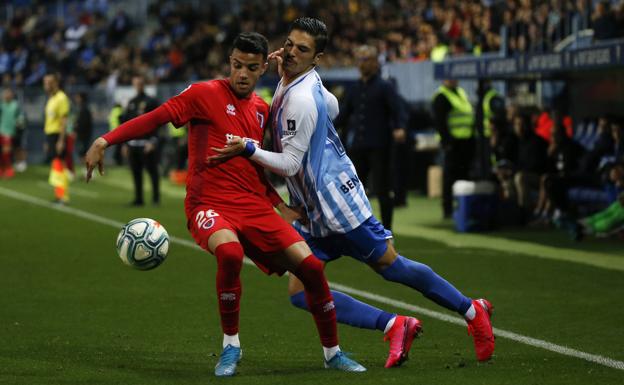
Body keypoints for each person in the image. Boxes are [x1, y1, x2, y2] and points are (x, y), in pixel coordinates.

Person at [211, 17, 495, 365]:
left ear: (317, 58)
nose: (291, 53)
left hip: (337, 205)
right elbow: (334, 106)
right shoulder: (299, 79)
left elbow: (288, 165)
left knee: (392, 267)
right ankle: (393, 324)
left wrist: (248, 148)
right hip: (312, 209)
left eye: (303, 50)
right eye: (289, 45)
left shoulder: (300, 98)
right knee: (300, 291)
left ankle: (471, 311)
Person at [84, 32, 366, 376]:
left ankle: (333, 353)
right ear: (229, 63)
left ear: (264, 67)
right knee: (230, 254)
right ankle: (230, 347)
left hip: (253, 206)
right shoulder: (203, 94)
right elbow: (157, 117)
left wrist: (278, 203)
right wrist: (105, 139)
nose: (242, 74)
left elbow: (258, 165)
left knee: (311, 268)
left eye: (250, 67)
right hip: (208, 203)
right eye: (236, 65)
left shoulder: (264, 109)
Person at [333, 44, 407, 230]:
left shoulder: (385, 87)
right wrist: (328, 130)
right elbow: (344, 115)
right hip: (358, 146)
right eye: (359, 59)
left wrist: (400, 127)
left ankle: (387, 229)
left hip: (380, 146)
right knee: (354, 189)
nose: (361, 63)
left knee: (383, 189)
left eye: (365, 59)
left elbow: (398, 110)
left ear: (375, 63)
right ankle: (355, 227)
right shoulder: (355, 88)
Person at [432, 79, 475, 219]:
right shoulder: (441, 96)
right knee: (450, 177)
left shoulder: (460, 92)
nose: (454, 79)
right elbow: (440, 122)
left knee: (464, 176)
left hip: (466, 142)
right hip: (452, 144)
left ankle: (464, 207)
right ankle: (448, 209)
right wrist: (447, 143)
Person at [120, 75, 161, 206]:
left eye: (140, 83)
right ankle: (139, 199)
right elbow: (126, 124)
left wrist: (153, 141)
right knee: (136, 172)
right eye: (136, 83)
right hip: (133, 144)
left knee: (152, 171)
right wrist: (125, 144)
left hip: (147, 143)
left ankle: (156, 198)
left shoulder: (151, 101)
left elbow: (159, 121)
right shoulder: (131, 102)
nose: (138, 86)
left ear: (144, 84)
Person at [43, 73, 71, 203]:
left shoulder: (61, 98)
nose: (45, 85)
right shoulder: (51, 98)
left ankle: (63, 196)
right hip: (51, 135)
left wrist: (61, 140)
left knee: (60, 164)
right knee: (56, 165)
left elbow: (64, 120)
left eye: (48, 82)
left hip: (57, 135)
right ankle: (59, 194)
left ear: (55, 83)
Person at [0, 88, 24, 178]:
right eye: (5, 93)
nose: (7, 95)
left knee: (6, 151)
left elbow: (20, 116)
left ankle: (9, 169)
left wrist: (20, 122)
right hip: (1, 130)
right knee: (2, 152)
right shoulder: (1, 105)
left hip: (10, 131)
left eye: (9, 93)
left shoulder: (15, 105)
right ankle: (2, 169)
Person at [73, 92, 93, 166]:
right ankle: (87, 170)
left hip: (83, 136)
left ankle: (89, 170)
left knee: (84, 154)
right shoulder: (81, 109)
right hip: (83, 135)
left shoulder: (84, 110)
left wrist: (76, 130)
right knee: (82, 154)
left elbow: (83, 124)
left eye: (77, 97)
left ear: (81, 99)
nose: (76, 99)